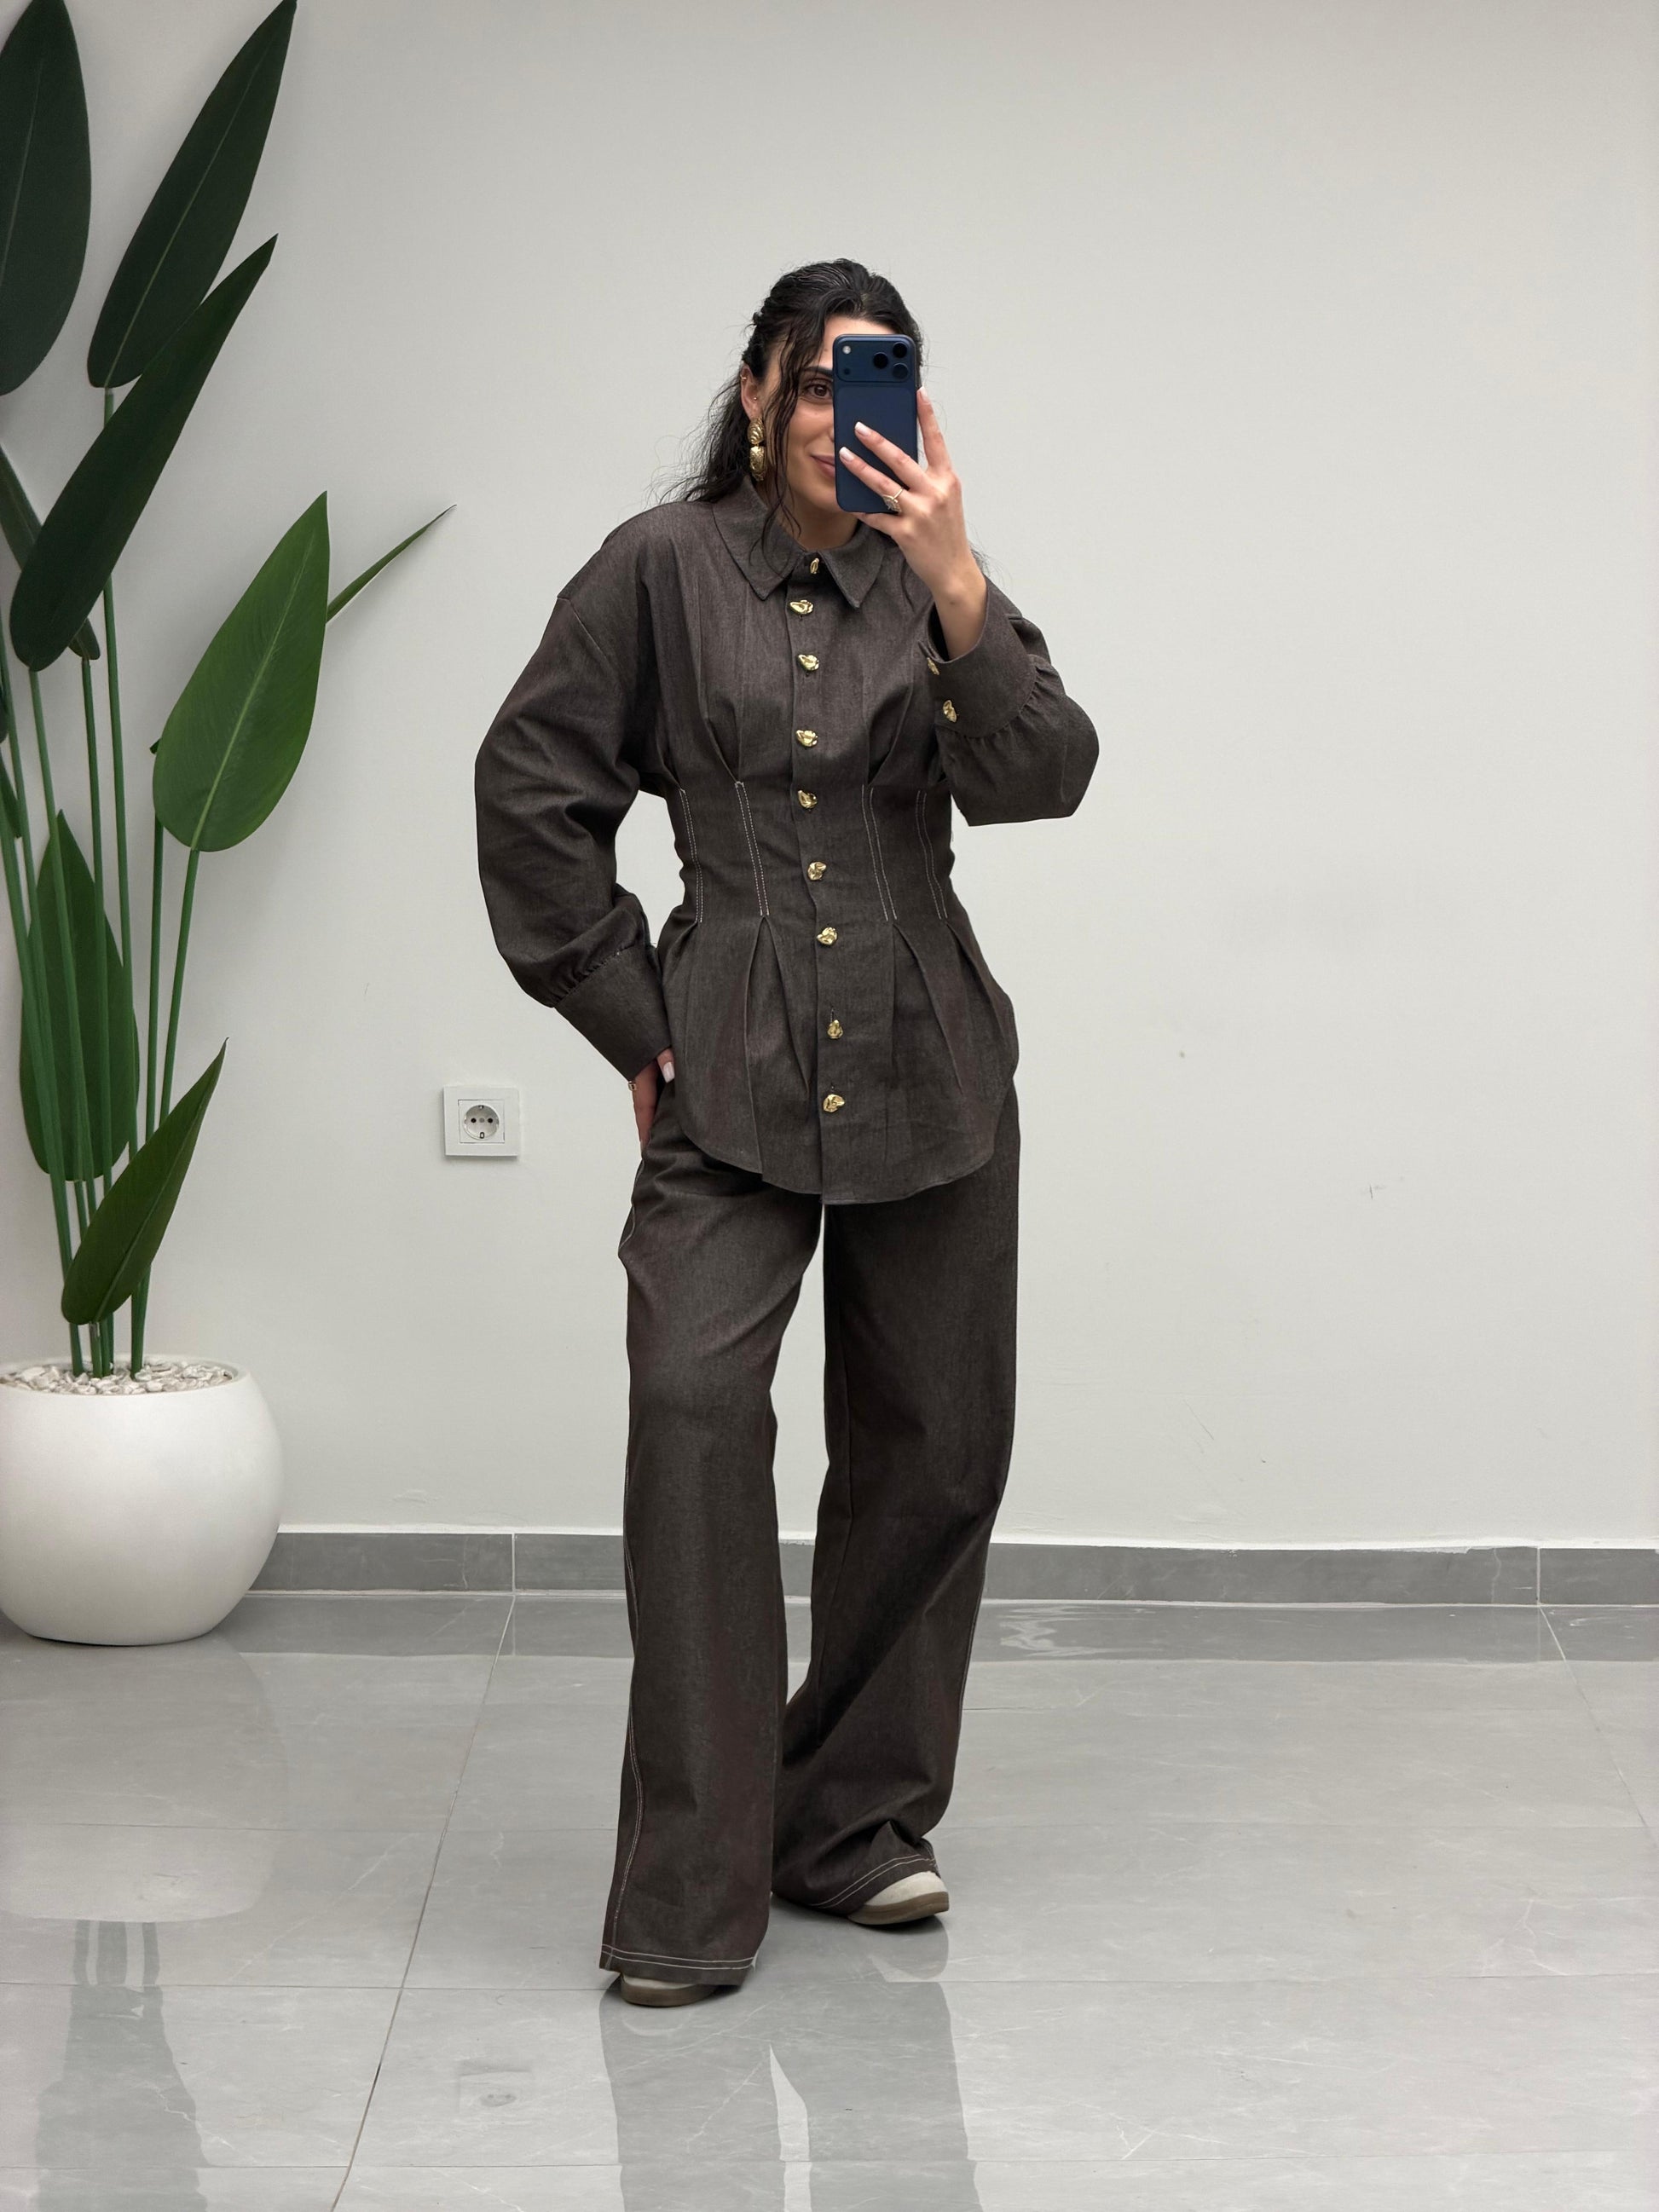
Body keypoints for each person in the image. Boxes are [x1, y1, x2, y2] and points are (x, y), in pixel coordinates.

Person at [474, 259, 1099, 2006]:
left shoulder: (935, 585)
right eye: (817, 381)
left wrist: (958, 581)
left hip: (930, 1060)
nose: (840, 415)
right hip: (729, 1069)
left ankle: (849, 1822)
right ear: (755, 393)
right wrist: (629, 1015)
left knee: (934, 1447)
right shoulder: (659, 570)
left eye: (876, 382)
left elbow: (1045, 773)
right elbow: (531, 790)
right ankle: (689, 1893)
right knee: (690, 1422)